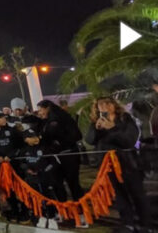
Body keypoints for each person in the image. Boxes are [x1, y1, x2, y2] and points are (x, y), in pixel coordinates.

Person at [85, 97, 151, 232]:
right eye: (100, 105)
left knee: (137, 194)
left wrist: (113, 128)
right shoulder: (97, 122)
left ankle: (145, 224)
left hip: (128, 164)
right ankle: (128, 223)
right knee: (120, 196)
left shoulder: (125, 119)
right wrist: (96, 129)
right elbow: (90, 141)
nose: (104, 107)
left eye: (107, 103)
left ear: (114, 105)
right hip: (107, 166)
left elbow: (129, 141)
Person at [35, 100, 84, 202]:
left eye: (40, 110)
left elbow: (76, 135)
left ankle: (80, 211)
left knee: (73, 184)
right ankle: (64, 210)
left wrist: (59, 143)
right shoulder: (46, 121)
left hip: (68, 155)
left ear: (47, 107)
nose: (39, 112)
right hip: (55, 157)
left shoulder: (61, 117)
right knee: (57, 184)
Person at [18, 128, 59, 230]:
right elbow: (21, 163)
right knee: (36, 199)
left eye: (36, 136)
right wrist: (28, 169)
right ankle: (41, 216)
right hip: (32, 180)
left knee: (48, 198)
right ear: (25, 139)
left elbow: (54, 163)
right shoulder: (24, 151)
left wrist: (43, 171)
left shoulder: (45, 148)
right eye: (31, 137)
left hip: (45, 180)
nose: (35, 139)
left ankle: (52, 217)